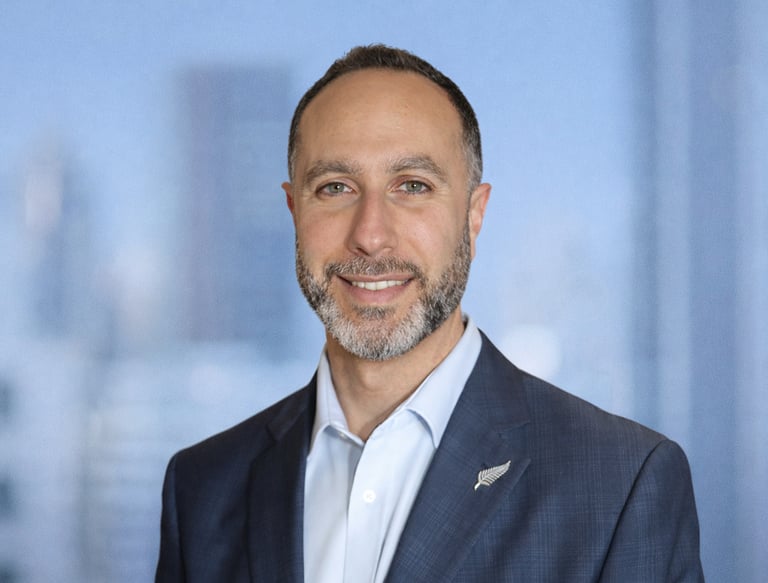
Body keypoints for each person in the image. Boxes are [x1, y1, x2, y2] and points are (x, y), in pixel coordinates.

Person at [155, 45, 703, 582]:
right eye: (335, 187)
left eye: (412, 186)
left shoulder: (621, 484)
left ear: (473, 215)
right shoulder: (203, 486)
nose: (370, 235)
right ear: (295, 211)